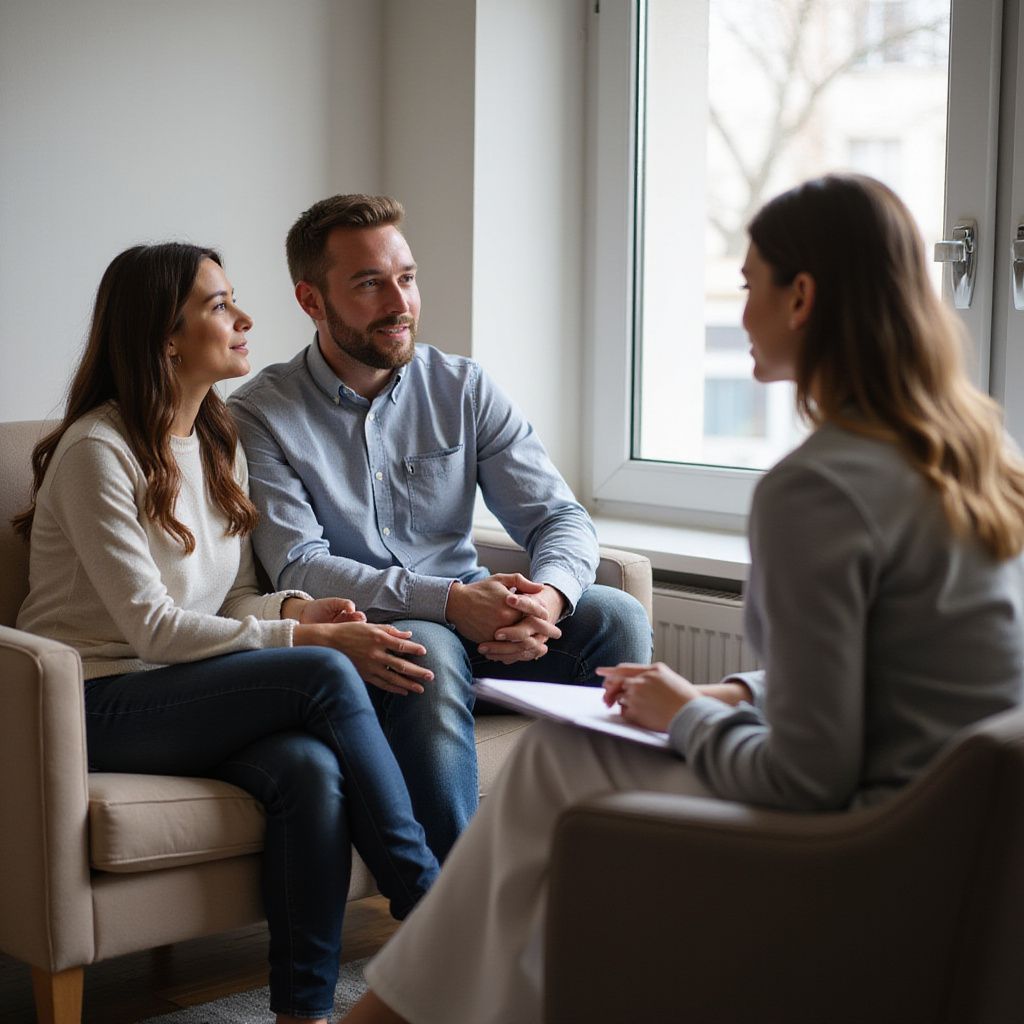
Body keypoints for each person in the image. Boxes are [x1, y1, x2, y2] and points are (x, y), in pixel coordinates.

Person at [339, 173, 1024, 1024]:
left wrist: (685, 720)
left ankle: (397, 1011)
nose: (740, 313)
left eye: (748, 286)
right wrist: (729, 693)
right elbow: (904, 669)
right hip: (949, 833)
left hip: (866, 843)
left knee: (561, 765)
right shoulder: (974, 456)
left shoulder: (817, 491)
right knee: (565, 756)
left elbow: (805, 778)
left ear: (801, 296)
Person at [14, 243, 442, 1024]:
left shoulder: (217, 442)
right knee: (322, 676)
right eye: (219, 305)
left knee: (309, 767)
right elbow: (149, 626)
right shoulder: (97, 454)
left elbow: (237, 594)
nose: (245, 319)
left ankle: (301, 1012)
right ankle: (432, 904)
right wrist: (304, 647)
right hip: (92, 703)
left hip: (177, 692)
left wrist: (294, 612)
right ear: (165, 337)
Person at [227, 194, 652, 861]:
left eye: (407, 277)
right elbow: (299, 566)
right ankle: (451, 916)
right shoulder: (260, 413)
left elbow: (558, 516)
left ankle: (605, 871)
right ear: (312, 301)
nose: (400, 303)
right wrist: (452, 603)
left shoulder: (461, 387)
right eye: (369, 284)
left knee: (615, 616)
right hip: (370, 632)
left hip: (480, 622)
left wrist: (548, 598)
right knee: (426, 649)